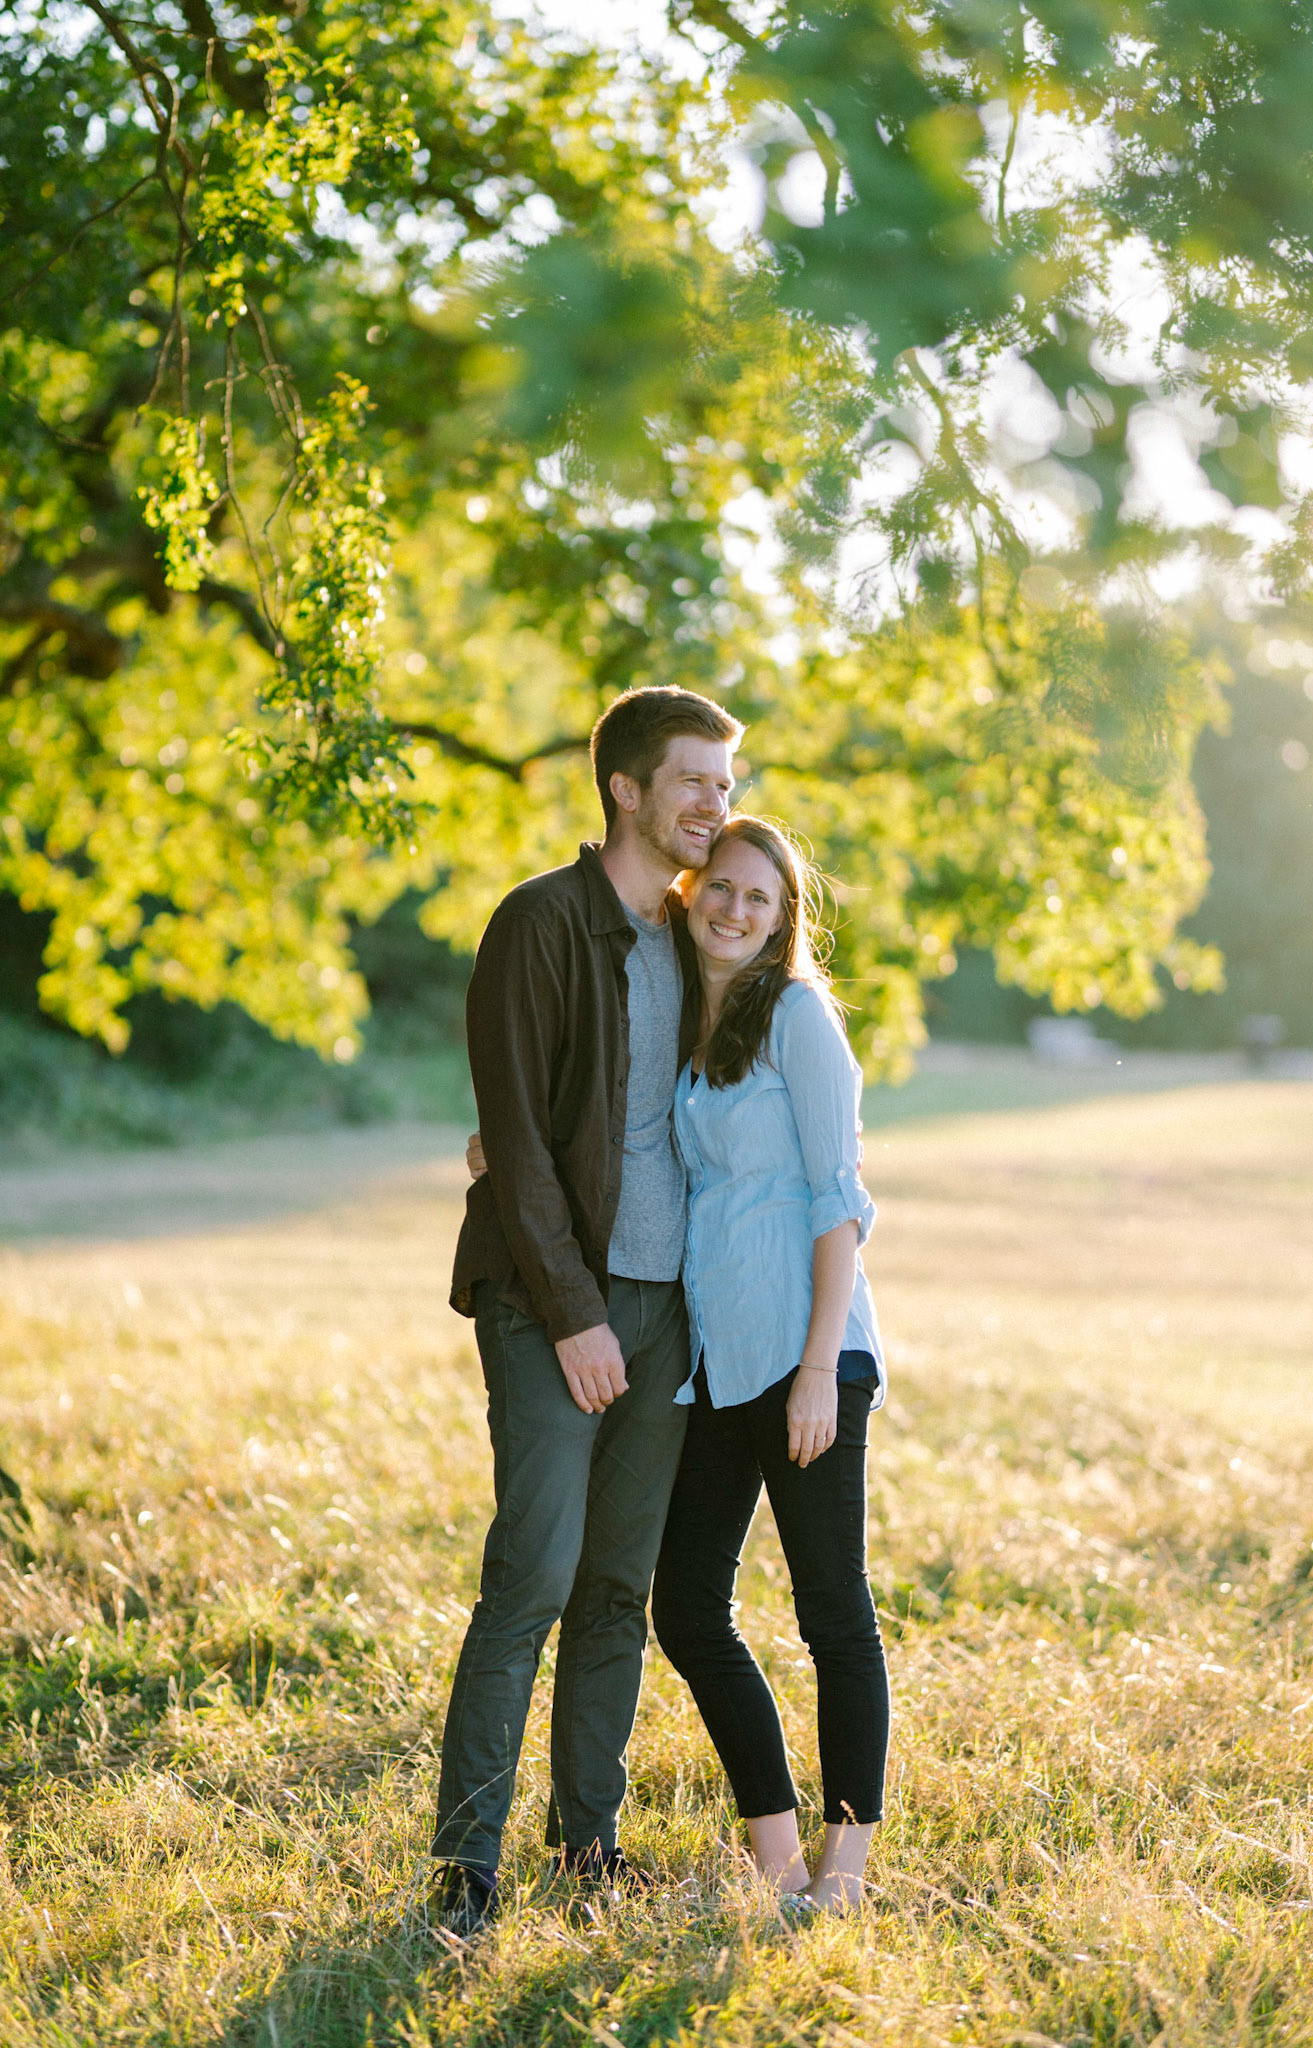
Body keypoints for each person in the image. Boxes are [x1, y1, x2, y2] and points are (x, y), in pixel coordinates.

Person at [432, 685, 740, 1935]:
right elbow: (513, 1136)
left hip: (669, 1310)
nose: (717, 804)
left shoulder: (696, 931)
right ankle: (464, 1869)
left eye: (727, 782)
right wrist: (572, 1313)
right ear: (626, 787)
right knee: (534, 1575)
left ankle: (587, 1847)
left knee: (619, 1585)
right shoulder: (542, 923)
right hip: (555, 1301)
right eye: (695, 780)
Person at [650, 815, 890, 1915]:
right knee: (690, 1606)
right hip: (722, 1365)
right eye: (725, 889)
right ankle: (779, 1860)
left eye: (763, 897)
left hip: (808, 1356)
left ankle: (841, 1875)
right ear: (692, 887)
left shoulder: (799, 1015)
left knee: (832, 1609)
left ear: (785, 916)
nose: (739, 909)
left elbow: (840, 1199)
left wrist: (814, 1370)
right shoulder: (695, 1030)